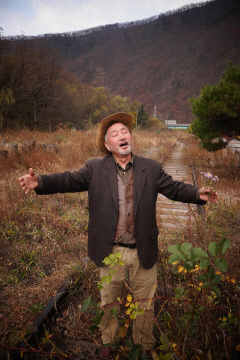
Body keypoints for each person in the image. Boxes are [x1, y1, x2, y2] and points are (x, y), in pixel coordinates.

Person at [19, 112, 218, 359]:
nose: (121, 136)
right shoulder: (95, 168)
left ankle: (144, 344)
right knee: (109, 301)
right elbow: (69, 180)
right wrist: (41, 182)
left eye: (125, 131)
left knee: (145, 304)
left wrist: (197, 193)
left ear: (130, 137)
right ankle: (108, 341)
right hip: (109, 249)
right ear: (107, 145)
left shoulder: (151, 168)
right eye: (114, 134)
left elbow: (174, 188)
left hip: (142, 249)